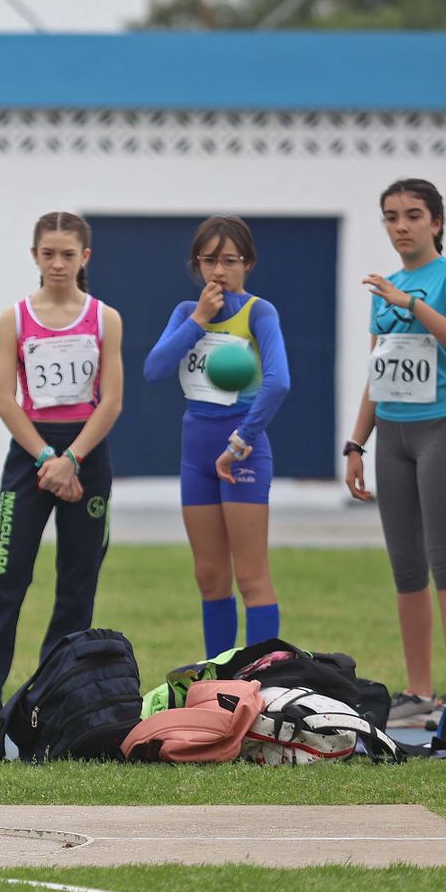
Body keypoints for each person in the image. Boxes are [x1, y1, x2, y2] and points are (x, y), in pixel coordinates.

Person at [0, 212, 122, 730]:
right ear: (34, 256)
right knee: (5, 574)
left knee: (77, 581)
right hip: (31, 454)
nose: (57, 263)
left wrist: (73, 460)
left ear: (85, 257)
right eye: (48, 253)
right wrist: (46, 459)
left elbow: (111, 401)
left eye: (68, 254)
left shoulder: (104, 318)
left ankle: (58, 696)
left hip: (86, 454)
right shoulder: (14, 319)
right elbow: (2, 399)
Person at [343, 179, 446, 730]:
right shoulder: (387, 285)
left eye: (413, 215)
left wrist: (411, 304)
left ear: (436, 222)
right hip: (393, 437)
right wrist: (357, 442)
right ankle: (419, 690)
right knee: (405, 569)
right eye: (391, 217)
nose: (401, 225)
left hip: (443, 429)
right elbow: (379, 372)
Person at [144, 215, 290, 656]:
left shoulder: (259, 312)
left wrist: (241, 441)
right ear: (196, 264)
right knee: (209, 575)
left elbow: (278, 382)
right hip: (195, 454)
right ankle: (220, 677)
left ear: (248, 264)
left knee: (250, 575)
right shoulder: (186, 314)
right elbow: (154, 370)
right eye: (209, 261)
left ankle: (264, 684)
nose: (219, 271)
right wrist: (200, 320)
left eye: (230, 260)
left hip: (242, 452)